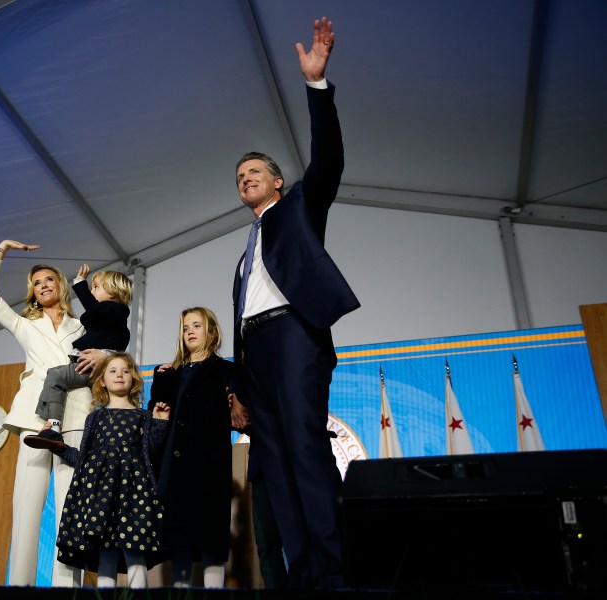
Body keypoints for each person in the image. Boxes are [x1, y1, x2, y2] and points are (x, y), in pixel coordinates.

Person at [229, 17, 360, 591]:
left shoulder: (300, 209)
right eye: (239, 175)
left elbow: (328, 159)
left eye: (255, 171)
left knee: (305, 452)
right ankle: (298, 577)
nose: (245, 178)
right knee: (275, 463)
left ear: (278, 182)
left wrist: (316, 87)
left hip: (293, 337)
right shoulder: (244, 251)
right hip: (254, 349)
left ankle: (330, 573)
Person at [0, 239, 106, 587]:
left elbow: (108, 349)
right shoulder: (24, 324)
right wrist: (1, 251)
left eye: (49, 279)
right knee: (27, 505)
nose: (44, 285)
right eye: (37, 282)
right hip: (36, 418)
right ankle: (19, 585)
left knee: (70, 505)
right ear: (32, 292)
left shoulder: (81, 327)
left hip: (76, 416)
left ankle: (66, 587)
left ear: (60, 286)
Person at [37, 352, 170, 589]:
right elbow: (84, 459)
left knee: (135, 550)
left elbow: (151, 452)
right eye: (112, 371)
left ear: (135, 380)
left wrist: (160, 423)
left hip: (134, 495)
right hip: (101, 496)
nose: (119, 375)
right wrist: (59, 448)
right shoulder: (94, 418)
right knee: (105, 553)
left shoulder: (143, 416)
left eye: (125, 371)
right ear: (101, 381)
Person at [148, 307, 235, 588]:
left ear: (211, 331)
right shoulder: (170, 373)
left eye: (196, 326)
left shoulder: (226, 371)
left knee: (211, 539)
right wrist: (160, 384)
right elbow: (156, 417)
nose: (190, 332)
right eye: (185, 328)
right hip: (173, 469)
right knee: (178, 541)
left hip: (207, 466)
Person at [24, 264, 133, 451]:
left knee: (56, 376)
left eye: (96, 287)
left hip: (93, 369)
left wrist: (80, 283)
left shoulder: (117, 311)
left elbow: (94, 310)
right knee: (57, 377)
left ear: (113, 292)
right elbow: (91, 316)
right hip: (87, 367)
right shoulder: (104, 319)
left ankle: (52, 424)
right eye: (91, 287)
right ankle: (53, 424)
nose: (92, 291)